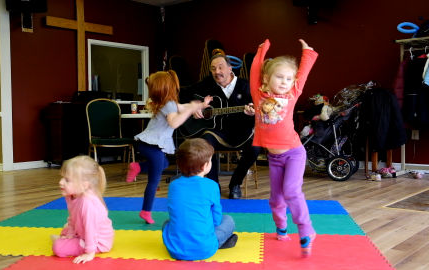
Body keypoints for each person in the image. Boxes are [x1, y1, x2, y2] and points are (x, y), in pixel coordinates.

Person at [250, 39, 318, 258]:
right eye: (280, 77)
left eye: (289, 78)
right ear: (267, 78)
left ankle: (307, 230)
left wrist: (307, 53)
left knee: (291, 192)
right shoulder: (259, 95)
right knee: (276, 199)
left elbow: (303, 74)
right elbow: (254, 71)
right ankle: (281, 227)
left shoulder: (292, 94)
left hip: (294, 153)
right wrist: (262, 51)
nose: (285, 82)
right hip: (274, 158)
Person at [126, 70, 212, 224]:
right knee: (154, 179)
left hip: (147, 144)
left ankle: (138, 167)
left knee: (165, 163)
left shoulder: (167, 103)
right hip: (152, 145)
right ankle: (146, 211)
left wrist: (199, 105)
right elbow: (174, 122)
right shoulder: (169, 104)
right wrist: (189, 111)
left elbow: (182, 107)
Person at [180, 54, 260, 199]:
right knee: (205, 143)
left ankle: (235, 183)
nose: (217, 72)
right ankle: (213, 186)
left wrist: (251, 113)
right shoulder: (208, 83)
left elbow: (259, 110)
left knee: (255, 147)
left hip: (241, 131)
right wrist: (194, 105)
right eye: (213, 69)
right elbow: (183, 92)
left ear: (230, 69)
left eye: (221, 67)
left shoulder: (246, 86)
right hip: (216, 131)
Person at [162, 138, 238, 260]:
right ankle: (218, 242)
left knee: (167, 222)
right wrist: (209, 229)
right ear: (205, 166)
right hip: (204, 248)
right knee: (228, 220)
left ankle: (211, 241)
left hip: (174, 250)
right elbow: (217, 217)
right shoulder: (211, 185)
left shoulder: (173, 185)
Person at [51, 156, 114, 264]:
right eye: (62, 177)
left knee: (58, 248)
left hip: (98, 242)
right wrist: (70, 235)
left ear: (84, 185)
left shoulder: (88, 203)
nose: (61, 182)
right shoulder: (71, 195)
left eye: (67, 180)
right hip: (83, 233)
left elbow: (91, 229)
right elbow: (72, 217)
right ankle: (69, 240)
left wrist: (89, 253)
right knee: (67, 227)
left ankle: (65, 241)